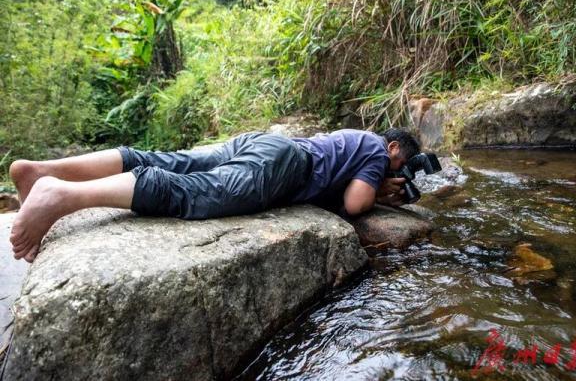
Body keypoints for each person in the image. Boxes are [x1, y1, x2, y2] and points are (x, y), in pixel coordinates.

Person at [8, 128, 420, 263]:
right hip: (284, 167)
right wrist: (384, 192)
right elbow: (355, 204)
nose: (396, 173)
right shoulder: (376, 152)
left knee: (169, 161)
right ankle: (61, 195)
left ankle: (42, 170)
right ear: (395, 149)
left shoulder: (353, 137)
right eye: (400, 166)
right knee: (194, 193)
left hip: (264, 144)